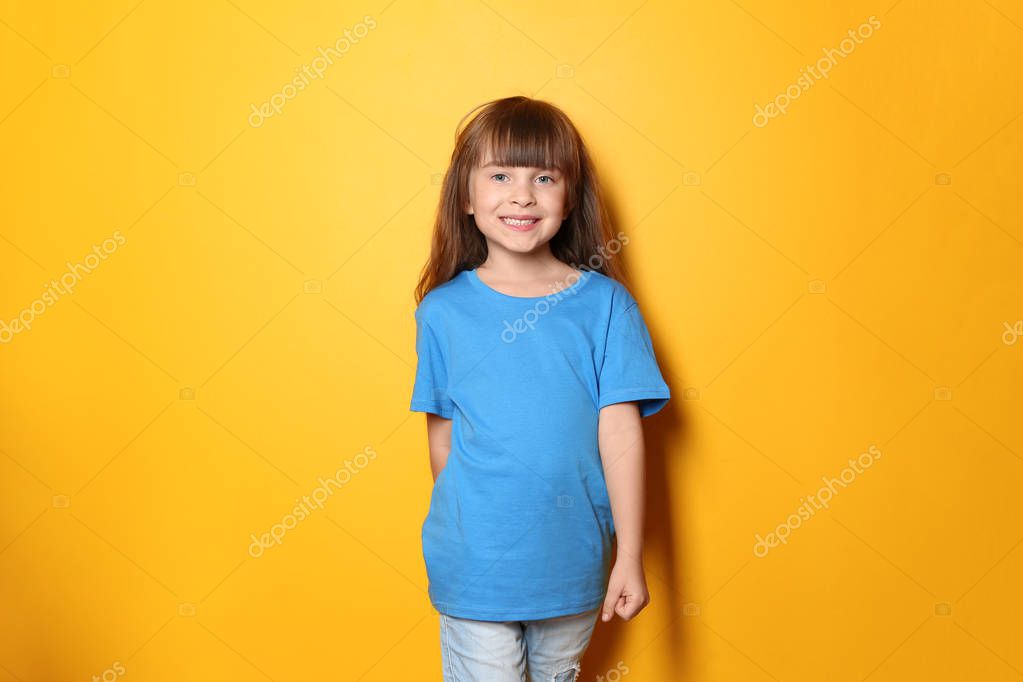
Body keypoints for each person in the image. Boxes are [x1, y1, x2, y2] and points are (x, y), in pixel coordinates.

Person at [410, 95, 671, 681]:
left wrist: (629, 555)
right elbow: (443, 440)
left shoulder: (606, 307)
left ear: (569, 196)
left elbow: (621, 432)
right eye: (500, 175)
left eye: (544, 177)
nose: (522, 194)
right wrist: (474, 539)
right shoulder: (443, 312)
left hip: (571, 564)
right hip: (475, 566)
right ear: (467, 197)